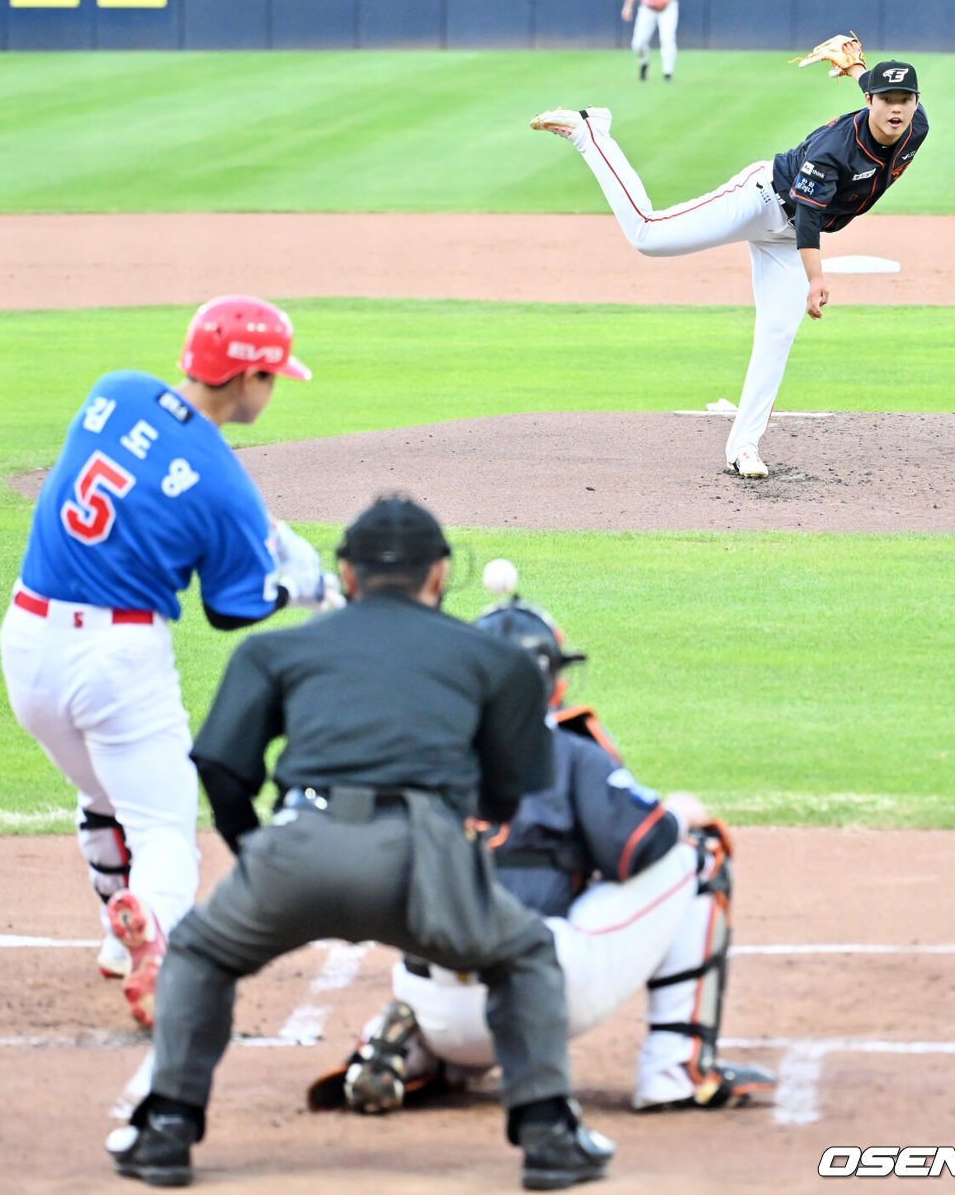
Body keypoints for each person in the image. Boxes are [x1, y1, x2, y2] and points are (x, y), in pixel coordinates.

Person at [104, 496, 615, 1192]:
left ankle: (165, 1126)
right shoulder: (496, 658)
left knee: (199, 949)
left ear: (345, 571)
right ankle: (550, 1132)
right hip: (425, 854)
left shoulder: (277, 647)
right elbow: (509, 793)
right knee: (522, 953)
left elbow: (222, 767)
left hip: (300, 845)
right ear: (438, 575)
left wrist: (256, 847)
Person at [309, 586, 776, 1116]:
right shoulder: (566, 751)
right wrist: (676, 813)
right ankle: (677, 1070)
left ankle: (418, 1048)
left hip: (429, 988)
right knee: (699, 850)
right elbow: (644, 846)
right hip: (536, 996)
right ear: (551, 680)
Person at [0, 295, 332, 1028]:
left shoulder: (113, 391)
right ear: (243, 377)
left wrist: (256, 529)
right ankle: (150, 931)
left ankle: (116, 937)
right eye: (269, 377)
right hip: (115, 659)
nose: (272, 390)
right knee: (166, 830)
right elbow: (231, 608)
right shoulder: (225, 486)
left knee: (105, 794)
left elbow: (144, 476)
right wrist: (291, 580)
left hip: (25, 642)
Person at [529, 51, 928, 477]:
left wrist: (853, 70)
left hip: (787, 239)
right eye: (886, 98)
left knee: (778, 333)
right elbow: (810, 216)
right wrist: (816, 280)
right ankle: (591, 133)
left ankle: (744, 447)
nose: (896, 107)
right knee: (648, 234)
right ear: (871, 101)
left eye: (905, 98)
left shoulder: (914, 126)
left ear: (916, 102)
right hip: (758, 201)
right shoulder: (834, 149)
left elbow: (875, 90)